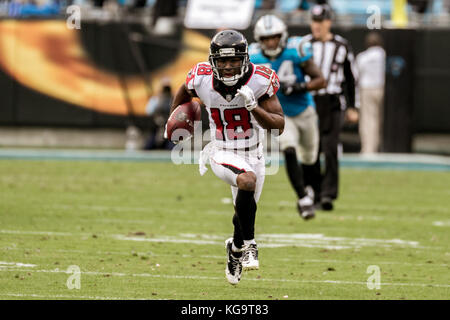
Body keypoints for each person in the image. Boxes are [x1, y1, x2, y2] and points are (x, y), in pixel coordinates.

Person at [165, 30, 284, 285]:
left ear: (245, 59)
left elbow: (279, 125)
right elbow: (182, 96)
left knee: (243, 212)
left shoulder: (260, 80)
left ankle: (236, 247)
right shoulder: (200, 78)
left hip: (254, 152)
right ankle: (251, 245)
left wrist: (255, 108)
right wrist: (173, 120)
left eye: (233, 61)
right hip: (221, 150)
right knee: (247, 181)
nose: (228, 67)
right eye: (222, 61)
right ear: (213, 61)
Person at [250, 14, 326, 220]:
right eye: (266, 39)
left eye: (274, 37)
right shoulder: (253, 57)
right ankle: (303, 198)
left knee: (310, 158)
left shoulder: (296, 50)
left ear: (282, 36)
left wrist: (301, 86)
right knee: (289, 149)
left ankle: (311, 191)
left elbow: (321, 80)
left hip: (304, 110)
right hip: (280, 114)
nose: (271, 42)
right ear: (259, 40)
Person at [303, 4, 358, 211]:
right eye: (314, 21)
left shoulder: (341, 45)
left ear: (329, 22)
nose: (316, 26)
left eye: (320, 21)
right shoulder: (304, 45)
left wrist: (353, 106)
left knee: (330, 148)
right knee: (311, 149)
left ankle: (328, 194)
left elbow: (351, 79)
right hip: (309, 102)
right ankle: (315, 192)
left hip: (333, 102)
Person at [356, 32, 386, 154]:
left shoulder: (362, 57)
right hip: (382, 89)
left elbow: (356, 75)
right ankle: (379, 148)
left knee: (368, 121)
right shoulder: (385, 55)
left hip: (367, 90)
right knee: (380, 121)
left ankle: (368, 150)